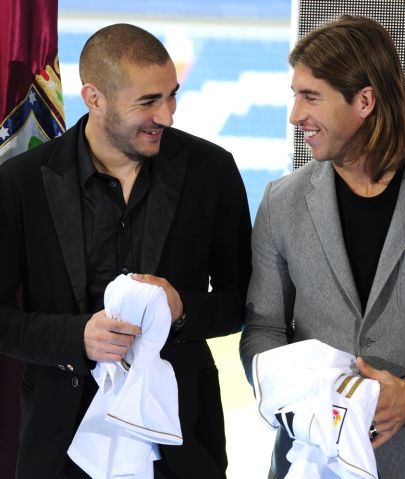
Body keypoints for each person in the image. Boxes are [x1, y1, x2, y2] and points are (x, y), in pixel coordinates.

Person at [0, 23, 251, 479]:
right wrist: (77, 338)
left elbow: (242, 302)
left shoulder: (212, 171)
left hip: (183, 444)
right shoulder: (20, 183)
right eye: (148, 102)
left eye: (171, 96)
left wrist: (182, 309)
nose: (167, 116)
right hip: (59, 446)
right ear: (94, 98)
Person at [240, 15, 405, 479]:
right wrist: (300, 402)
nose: (295, 115)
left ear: (364, 100)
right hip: (307, 461)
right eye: (294, 95)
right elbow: (263, 329)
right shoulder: (280, 201)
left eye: (310, 97)